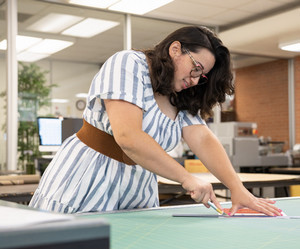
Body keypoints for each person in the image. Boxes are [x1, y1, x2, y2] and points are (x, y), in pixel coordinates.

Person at [29, 26, 282, 216]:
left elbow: (203, 138)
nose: (195, 80)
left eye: (202, 76)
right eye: (195, 68)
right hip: (87, 176)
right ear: (175, 50)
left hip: (138, 185)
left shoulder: (181, 95)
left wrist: (237, 188)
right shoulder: (128, 64)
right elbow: (128, 137)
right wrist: (186, 178)